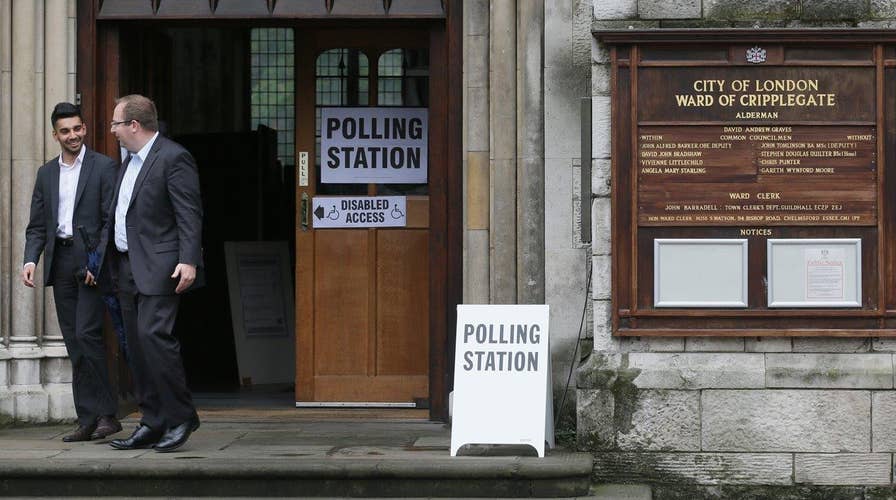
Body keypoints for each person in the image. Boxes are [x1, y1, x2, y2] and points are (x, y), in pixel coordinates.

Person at [104, 94, 203, 452]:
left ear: (134, 125)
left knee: (155, 339)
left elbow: (189, 213)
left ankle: (181, 417)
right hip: (126, 265)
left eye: (116, 123)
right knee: (136, 345)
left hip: (161, 266)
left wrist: (189, 260)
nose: (112, 130)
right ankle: (153, 419)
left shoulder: (173, 157)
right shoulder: (127, 162)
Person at [22, 102, 121, 442]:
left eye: (77, 128)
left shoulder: (104, 167)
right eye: (65, 131)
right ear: (56, 135)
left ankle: (108, 414)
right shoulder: (46, 173)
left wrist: (97, 262)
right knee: (74, 341)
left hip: (90, 263)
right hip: (60, 262)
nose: (73, 135)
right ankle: (87, 418)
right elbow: (37, 225)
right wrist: (30, 259)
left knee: (88, 334)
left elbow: (110, 220)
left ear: (84, 128)